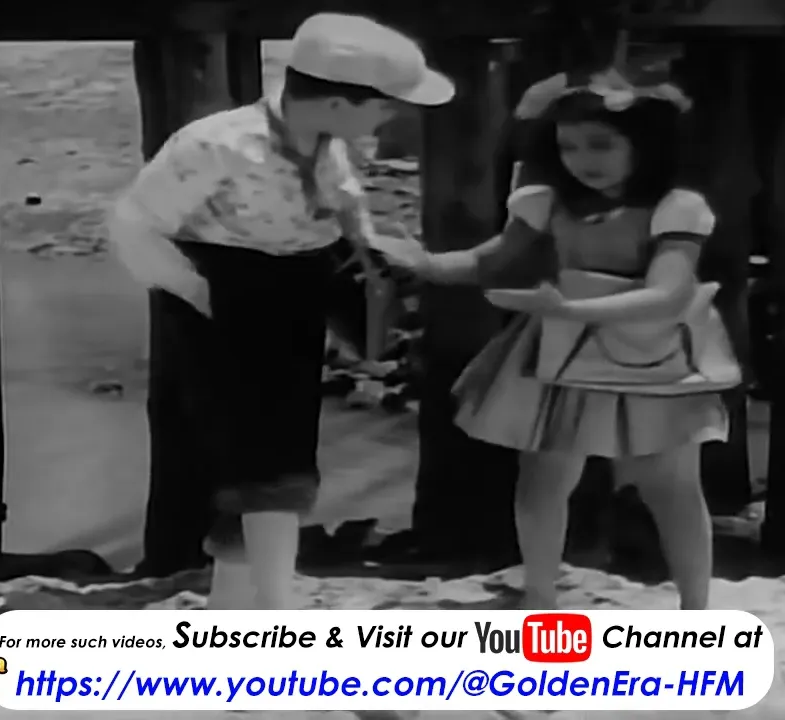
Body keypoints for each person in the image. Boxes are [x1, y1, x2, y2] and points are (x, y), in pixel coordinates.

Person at [105, 13, 454, 609]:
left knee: (277, 453)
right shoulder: (217, 145)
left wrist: (371, 259)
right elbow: (134, 225)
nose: (390, 118)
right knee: (261, 463)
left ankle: (235, 605)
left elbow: (342, 207)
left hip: (296, 292)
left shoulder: (330, 145)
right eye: (383, 106)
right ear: (339, 104)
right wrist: (201, 296)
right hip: (228, 294)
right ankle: (274, 608)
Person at [376, 70, 736, 610]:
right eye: (568, 146)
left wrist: (571, 309)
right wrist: (427, 263)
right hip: (564, 353)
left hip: (653, 353)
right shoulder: (546, 201)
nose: (582, 159)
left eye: (600, 144)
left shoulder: (677, 207)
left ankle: (696, 609)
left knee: (671, 483)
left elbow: (666, 293)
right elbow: (489, 260)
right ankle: (540, 597)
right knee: (543, 476)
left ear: (645, 144)